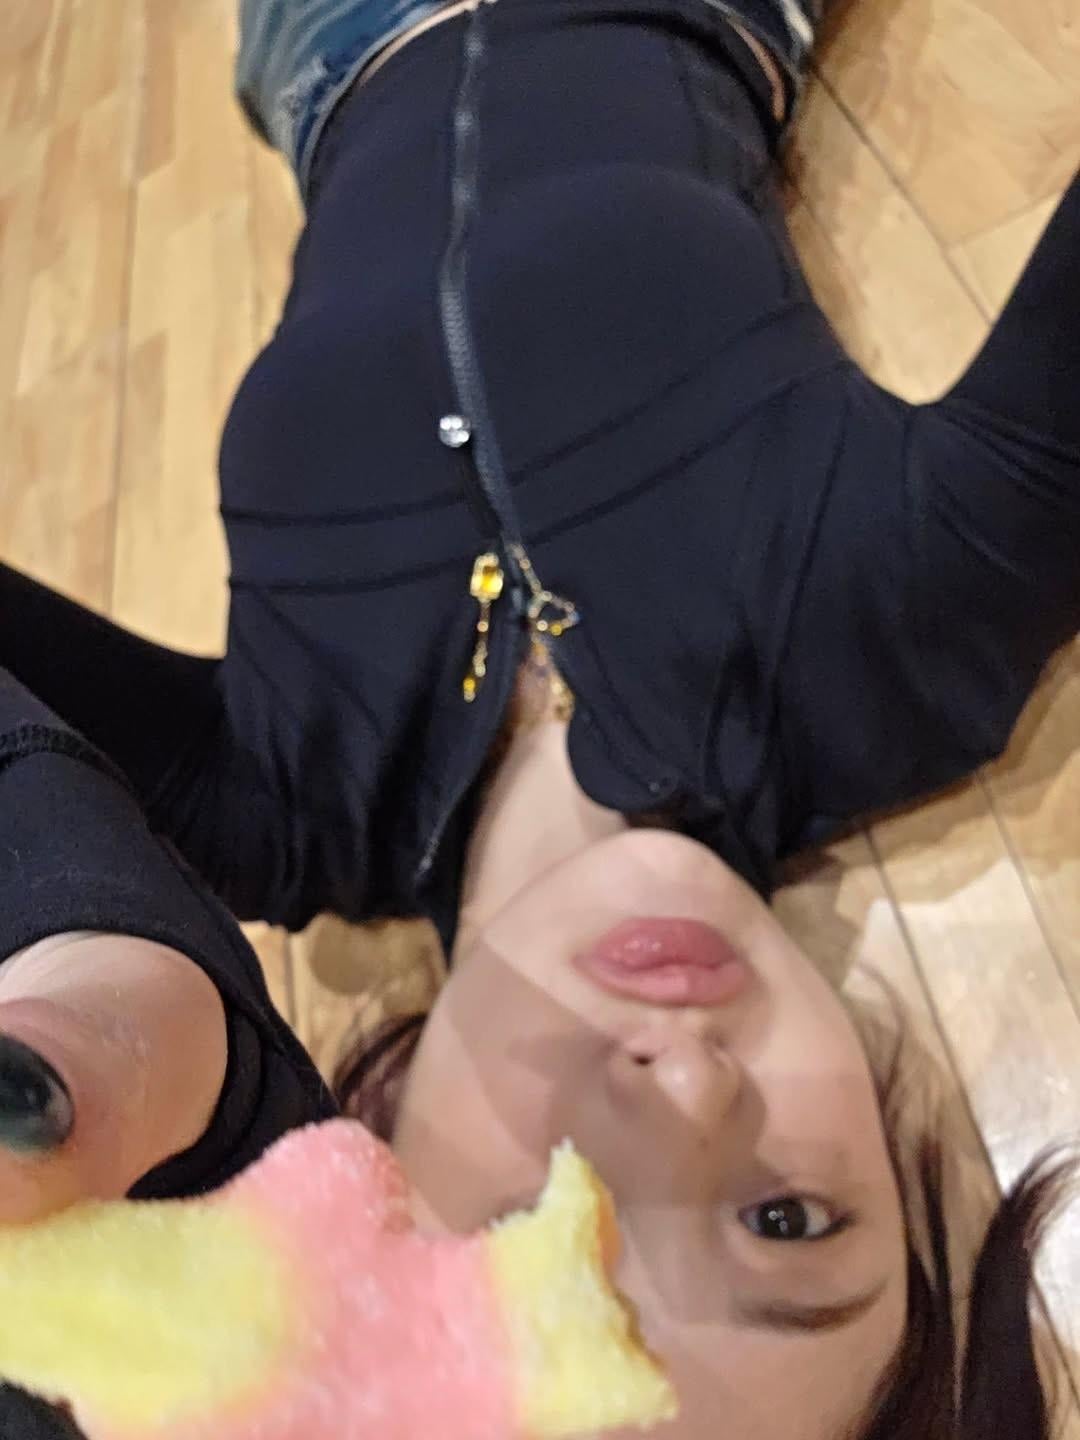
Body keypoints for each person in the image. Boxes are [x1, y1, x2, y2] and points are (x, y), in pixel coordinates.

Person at [0, 0, 1077, 1432]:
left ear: (364, 1200)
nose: (685, 1086)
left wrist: (125, 997)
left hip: (330, 55)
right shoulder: (905, 640)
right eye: (789, 1221)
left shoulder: (263, 802)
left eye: (559, 1242)